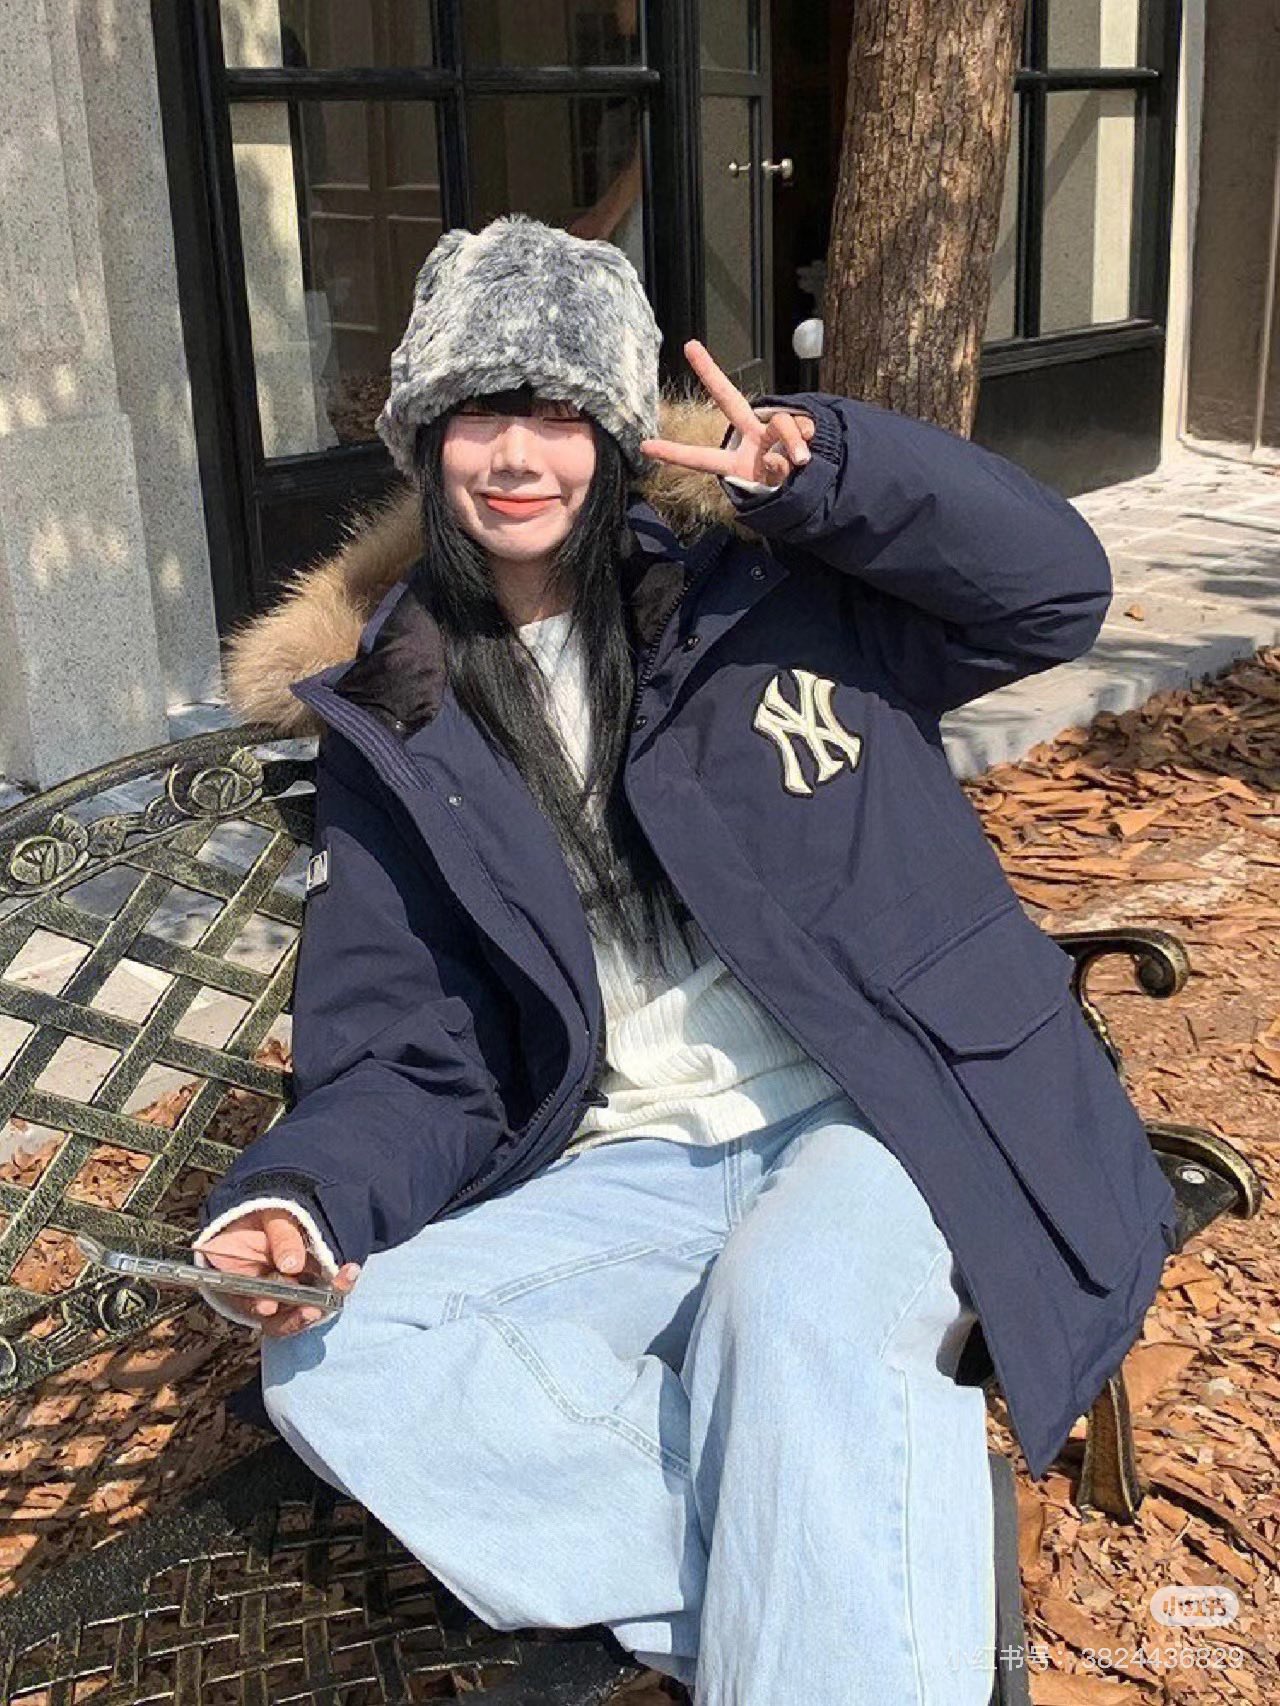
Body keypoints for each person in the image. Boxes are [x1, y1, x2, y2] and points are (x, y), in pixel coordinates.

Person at [193, 213, 1179, 1706]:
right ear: (421, 439)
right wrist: (301, 1196)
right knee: (347, 1356)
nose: (513, 455)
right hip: (634, 1159)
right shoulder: (393, 713)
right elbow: (404, 1045)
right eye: (474, 413)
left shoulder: (766, 591)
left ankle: (839, 1606)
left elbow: (1051, 591)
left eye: (554, 413)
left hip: (881, 1108)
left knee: (789, 1308)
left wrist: (840, 474)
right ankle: (878, 1572)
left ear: (610, 434)